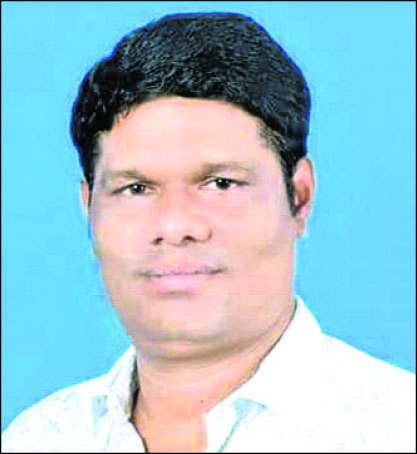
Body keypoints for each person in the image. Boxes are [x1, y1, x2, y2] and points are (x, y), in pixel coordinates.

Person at [2, 11, 415, 453]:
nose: (175, 226)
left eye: (220, 183)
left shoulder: (397, 429)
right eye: (136, 188)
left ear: (299, 197)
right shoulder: (40, 438)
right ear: (89, 209)